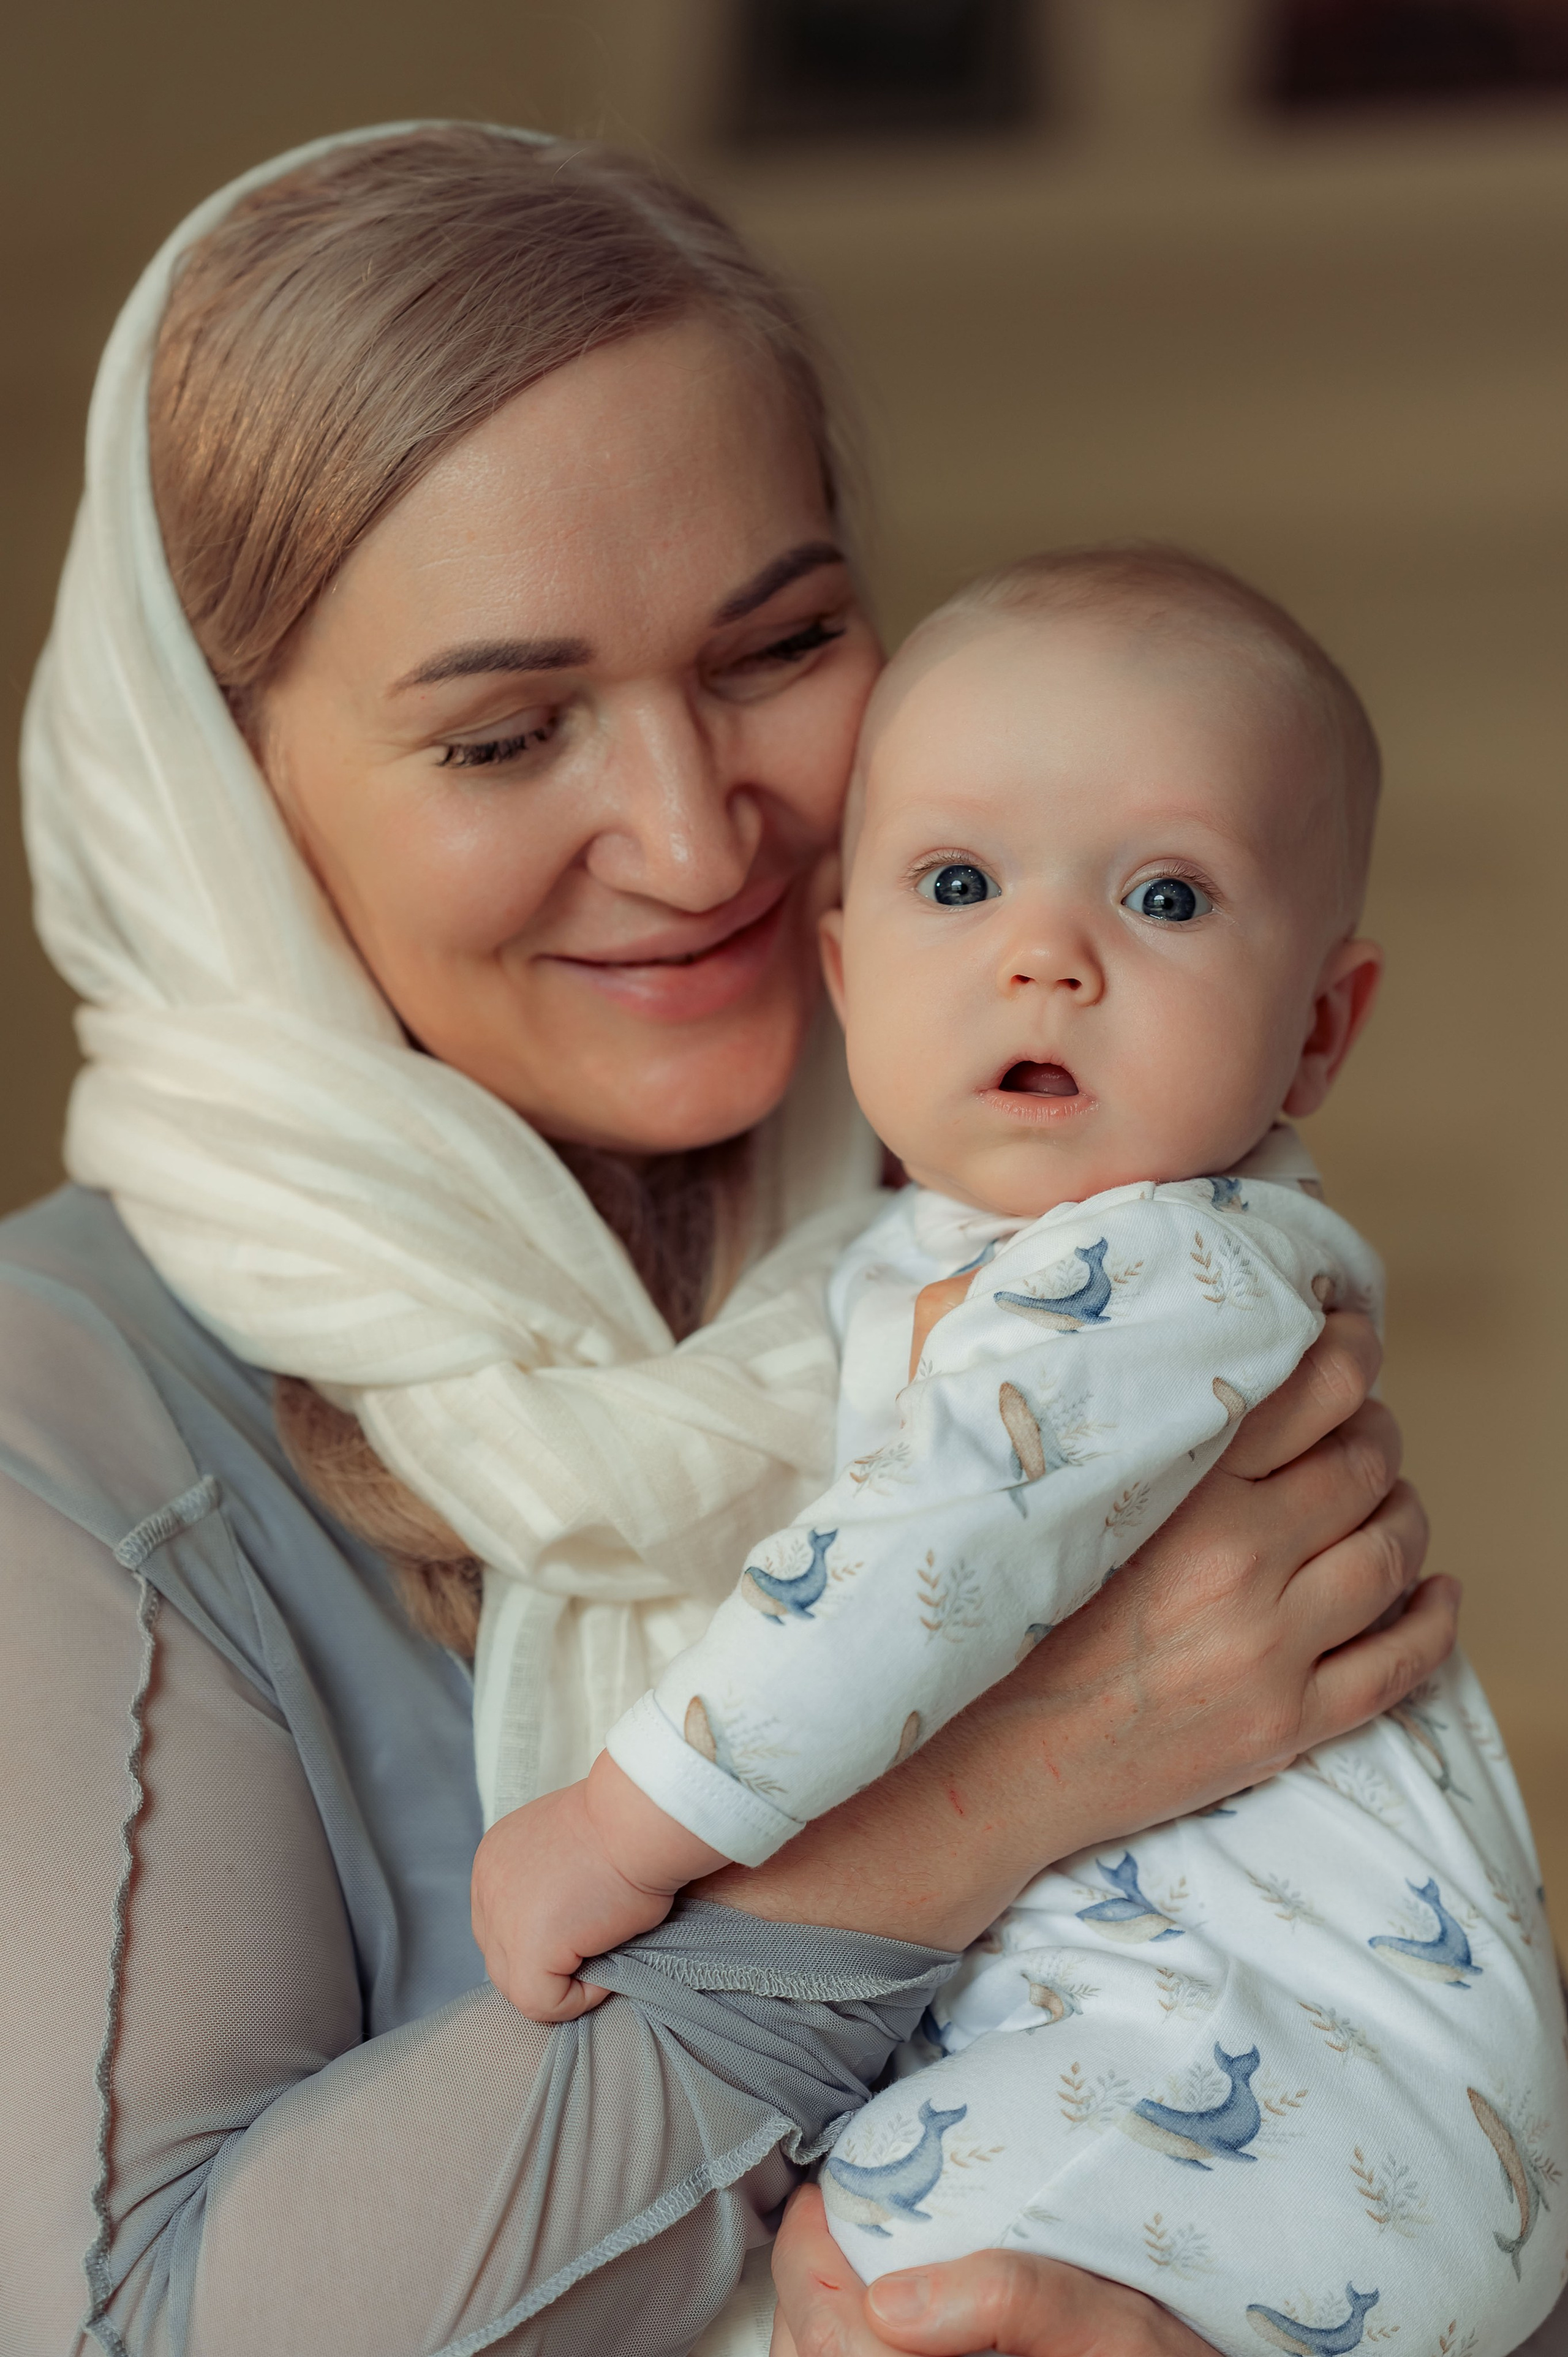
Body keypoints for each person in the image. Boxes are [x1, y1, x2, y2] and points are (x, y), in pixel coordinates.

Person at [1, 121, 1458, 2357]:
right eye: (507, 732)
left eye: (777, 646)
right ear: (214, 796)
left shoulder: (1070, 1228)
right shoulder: (65, 1421)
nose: (697, 843)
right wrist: (985, 1795)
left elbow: (1390, 1994)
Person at [474, 546, 1566, 2354]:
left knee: (857, 2270)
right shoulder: (904, 1266)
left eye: (1164, 894)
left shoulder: (1162, 1273)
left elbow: (914, 1576)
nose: (1046, 955)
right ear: (844, 963)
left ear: (1319, 1029)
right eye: (960, 882)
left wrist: (619, 1822)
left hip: (1305, 2093)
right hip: (1203, 2081)